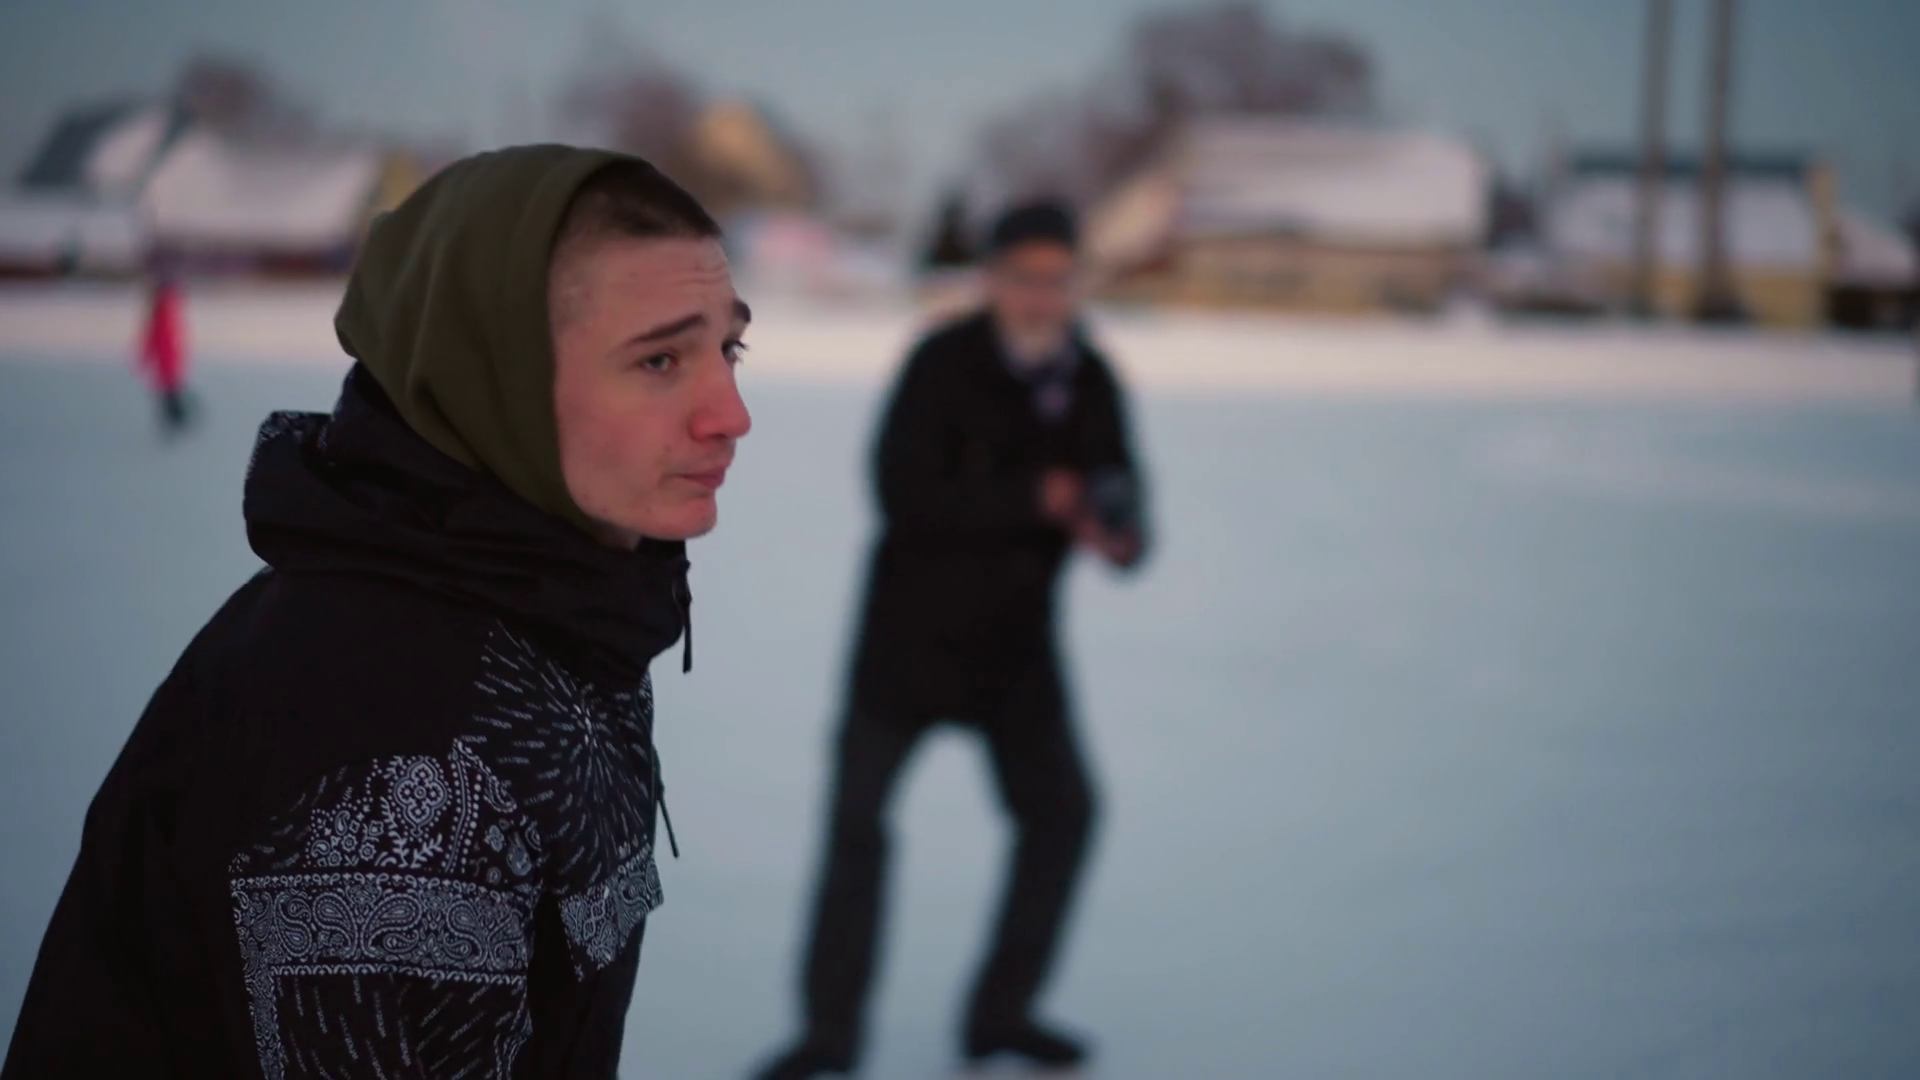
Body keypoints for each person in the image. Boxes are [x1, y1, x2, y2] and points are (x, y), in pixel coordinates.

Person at [2, 146, 752, 1079]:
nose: (730, 413)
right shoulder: (393, 765)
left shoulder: (556, 604)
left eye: (728, 348)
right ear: (494, 373)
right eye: (660, 358)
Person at [754, 201, 1149, 1080]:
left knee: (1063, 817)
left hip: (1017, 654)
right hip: (905, 646)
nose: (1042, 296)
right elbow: (900, 492)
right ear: (991, 279)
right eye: (1024, 277)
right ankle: (829, 1037)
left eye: (1058, 279)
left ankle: (1000, 1017)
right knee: (857, 830)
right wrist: (1034, 499)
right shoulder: (941, 361)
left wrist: (1119, 532)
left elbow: (1127, 503)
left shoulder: (1091, 379)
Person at [138, 254, 193, 433]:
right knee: (169, 392)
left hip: (167, 359)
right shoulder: (166, 308)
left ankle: (178, 420)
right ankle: (177, 419)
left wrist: (145, 356)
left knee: (170, 392)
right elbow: (154, 336)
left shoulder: (165, 308)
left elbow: (159, 336)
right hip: (167, 359)